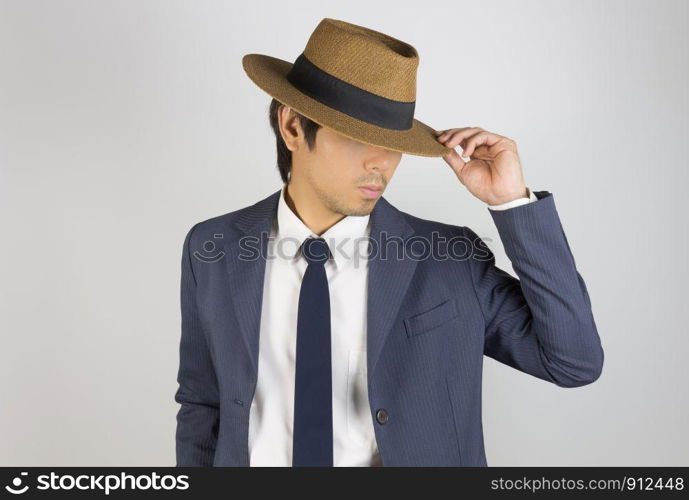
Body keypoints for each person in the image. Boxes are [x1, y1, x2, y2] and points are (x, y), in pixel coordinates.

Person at [174, 18, 604, 467]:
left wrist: (512, 203)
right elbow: (202, 402)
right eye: (358, 138)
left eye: (393, 143)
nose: (381, 163)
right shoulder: (213, 248)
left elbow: (572, 362)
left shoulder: (449, 259)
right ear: (293, 128)